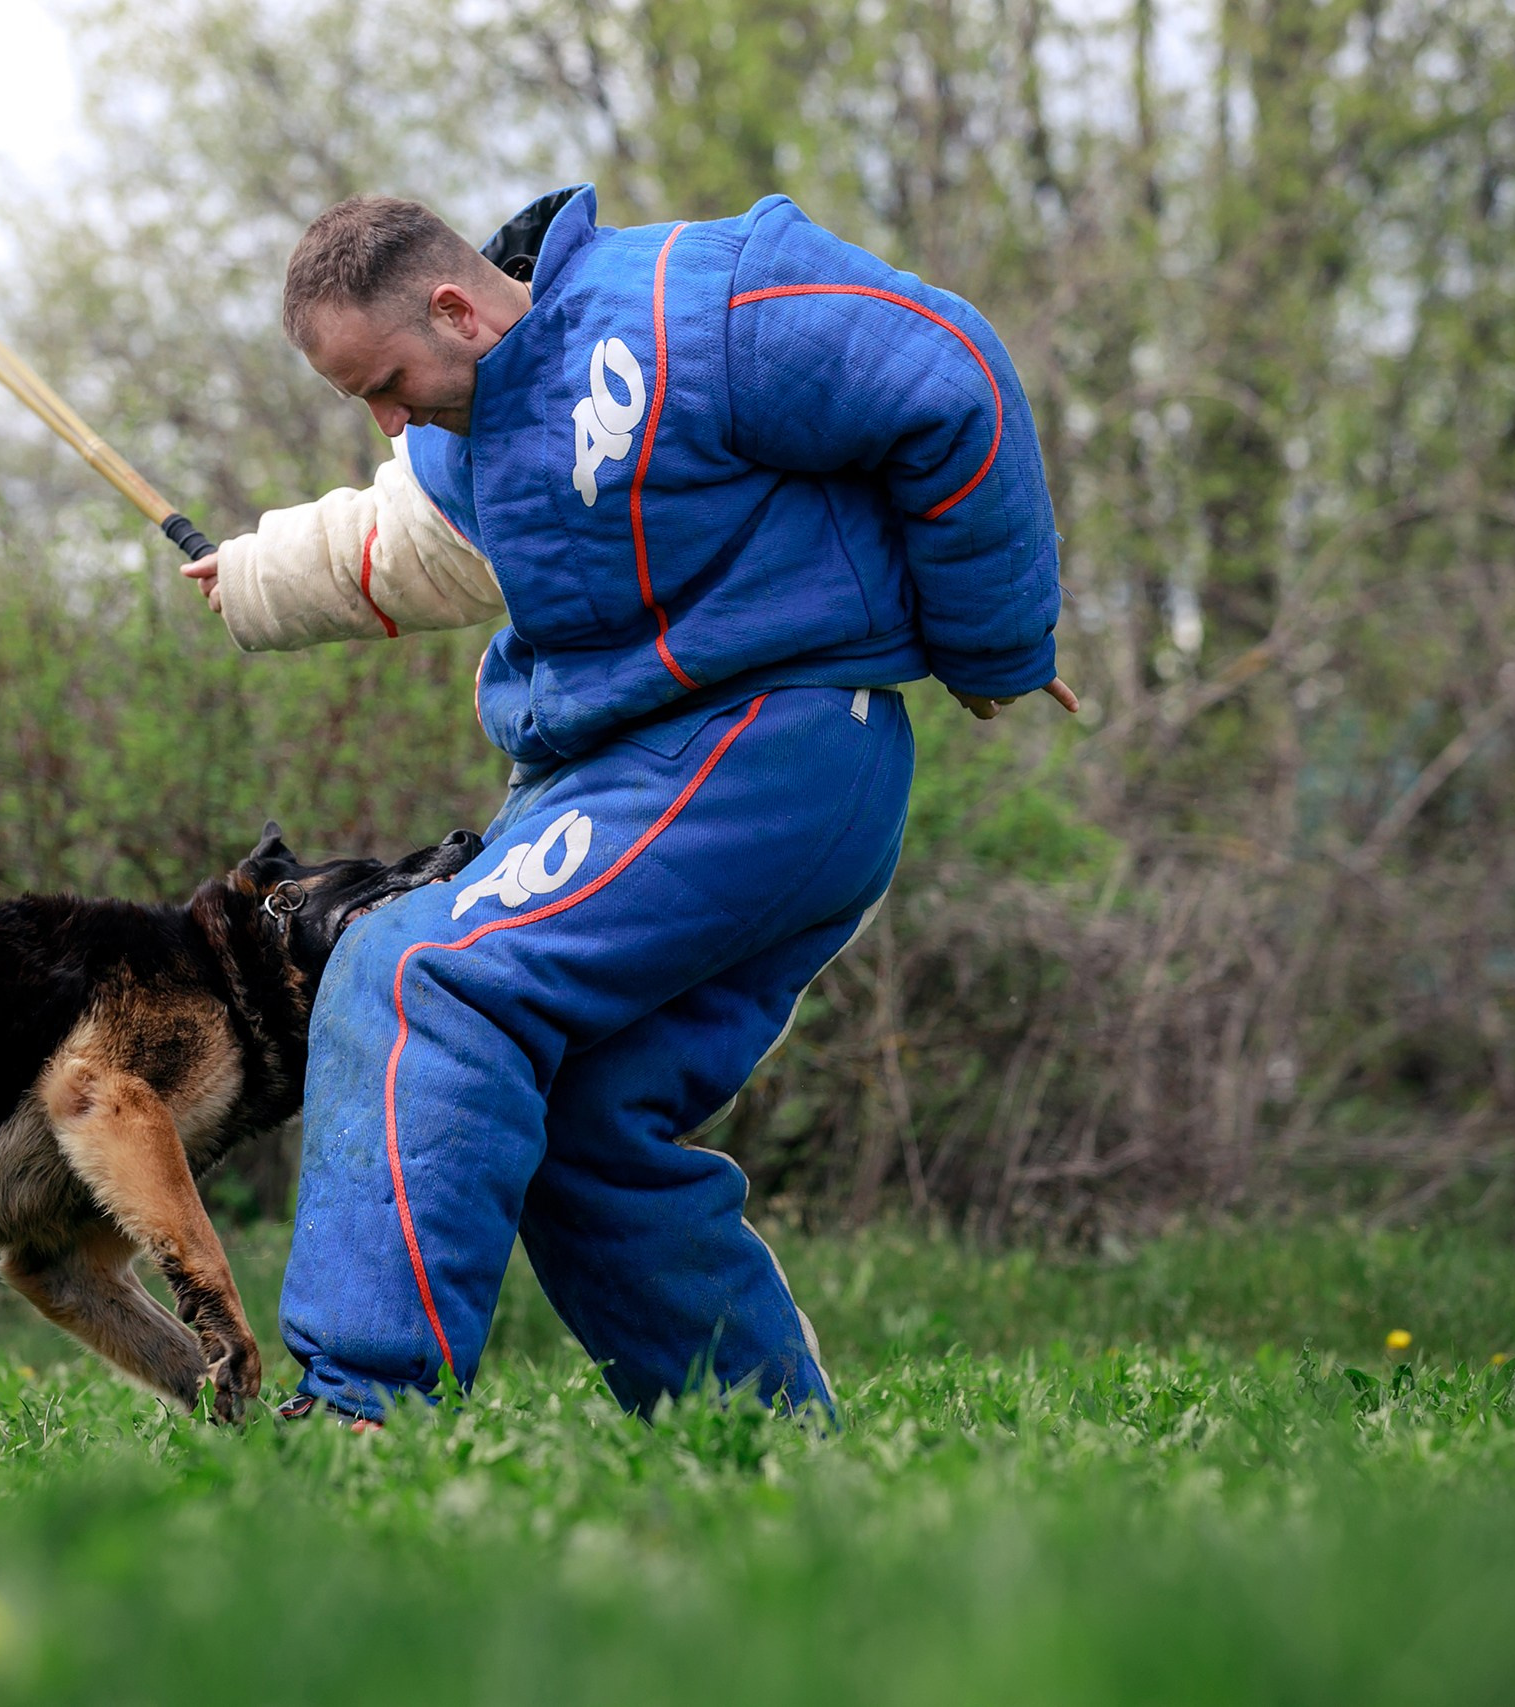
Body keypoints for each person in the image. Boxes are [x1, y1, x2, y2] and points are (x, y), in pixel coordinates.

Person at [185, 186, 1075, 1424]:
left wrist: (994, 646)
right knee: (584, 1123)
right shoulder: (461, 435)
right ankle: (762, 1439)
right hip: (631, 782)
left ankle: (358, 1416)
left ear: (454, 307)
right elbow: (393, 543)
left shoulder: (700, 300)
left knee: (417, 971)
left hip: (768, 746)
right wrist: (251, 579)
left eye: (385, 383)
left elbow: (947, 369)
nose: (387, 420)